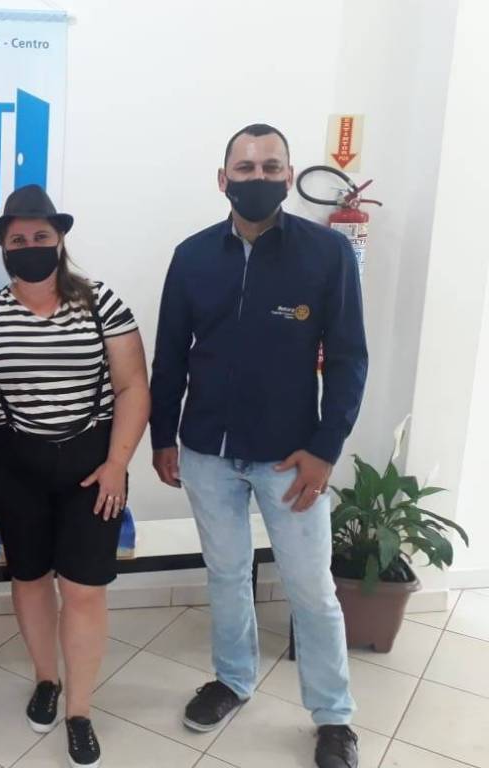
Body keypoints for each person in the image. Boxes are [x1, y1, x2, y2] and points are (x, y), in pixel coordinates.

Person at [149, 123, 368, 768]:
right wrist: (163, 436)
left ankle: (333, 717)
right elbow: (170, 356)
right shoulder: (192, 256)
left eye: (272, 167)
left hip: (291, 458)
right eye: (245, 168)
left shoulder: (327, 254)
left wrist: (326, 449)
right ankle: (233, 679)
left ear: (289, 176)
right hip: (207, 451)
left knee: (311, 589)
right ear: (223, 180)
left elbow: (349, 358)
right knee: (226, 574)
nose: (258, 178)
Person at [0, 184, 150, 768]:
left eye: (41, 236)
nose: (30, 246)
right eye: (18, 239)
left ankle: (79, 711)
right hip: (13, 464)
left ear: (60, 239)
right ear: (3, 247)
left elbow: (133, 387)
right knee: (30, 578)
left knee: (85, 589)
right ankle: (47, 678)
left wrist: (117, 465)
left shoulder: (101, 302)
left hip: (93, 466)